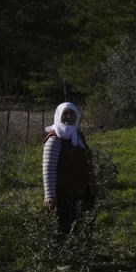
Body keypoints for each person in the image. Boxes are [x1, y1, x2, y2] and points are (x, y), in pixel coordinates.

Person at [42, 102, 97, 237]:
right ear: (58, 116)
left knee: (82, 225)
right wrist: (49, 195)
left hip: (82, 189)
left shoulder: (77, 135)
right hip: (65, 192)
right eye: (65, 113)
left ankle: (83, 253)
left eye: (72, 113)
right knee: (66, 227)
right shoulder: (54, 139)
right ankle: (68, 255)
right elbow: (48, 168)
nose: (68, 116)